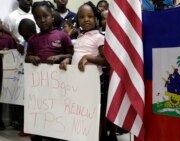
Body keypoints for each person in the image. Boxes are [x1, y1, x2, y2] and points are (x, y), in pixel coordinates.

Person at [59, 2, 117, 141]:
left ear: (96, 18)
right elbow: (77, 55)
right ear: (77, 20)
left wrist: (88, 57)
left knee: (97, 113)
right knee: (83, 111)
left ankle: (100, 137)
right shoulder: (79, 37)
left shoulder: (99, 37)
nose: (86, 19)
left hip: (95, 82)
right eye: (82, 17)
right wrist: (68, 60)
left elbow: (107, 61)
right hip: (79, 82)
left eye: (90, 16)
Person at [25, 1, 73, 140]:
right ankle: (39, 131)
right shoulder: (33, 40)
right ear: (35, 20)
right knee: (41, 108)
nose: (42, 20)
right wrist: (31, 58)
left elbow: (71, 55)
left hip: (60, 83)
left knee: (57, 108)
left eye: (45, 16)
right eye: (38, 18)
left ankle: (57, 134)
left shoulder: (62, 36)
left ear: (52, 16)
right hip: (40, 85)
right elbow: (27, 59)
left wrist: (60, 57)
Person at [18, 18, 37, 137]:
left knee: (35, 103)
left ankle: (33, 128)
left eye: (26, 36)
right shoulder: (25, 41)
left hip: (38, 77)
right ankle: (27, 126)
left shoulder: (37, 40)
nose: (25, 39)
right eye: (23, 37)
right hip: (27, 76)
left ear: (34, 30)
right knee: (27, 103)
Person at [0, 19, 17, 131]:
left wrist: (7, 53)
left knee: (1, 96)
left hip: (4, 74)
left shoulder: (8, 38)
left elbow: (14, 54)